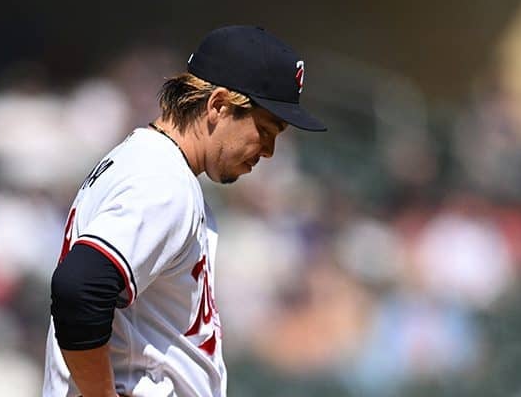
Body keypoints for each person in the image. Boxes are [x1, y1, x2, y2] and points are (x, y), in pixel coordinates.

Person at [44, 25, 327, 397]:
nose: (269, 150)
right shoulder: (163, 180)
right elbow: (79, 289)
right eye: (264, 129)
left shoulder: (144, 161)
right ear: (219, 106)